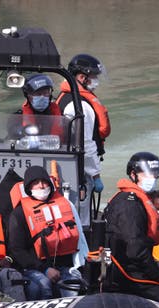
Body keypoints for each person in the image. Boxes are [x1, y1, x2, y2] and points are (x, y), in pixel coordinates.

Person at [103, 152, 159, 308]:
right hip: (130, 275)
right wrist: (157, 277)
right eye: (147, 173)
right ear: (133, 175)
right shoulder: (130, 203)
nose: (152, 177)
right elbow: (135, 249)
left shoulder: (133, 198)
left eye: (155, 173)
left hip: (130, 269)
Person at [7, 166, 89, 300]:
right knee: (42, 286)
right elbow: (17, 250)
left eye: (44, 182)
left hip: (65, 266)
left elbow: (80, 238)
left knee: (74, 286)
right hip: (36, 268)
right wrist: (44, 269)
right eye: (35, 183)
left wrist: (80, 266)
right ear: (29, 188)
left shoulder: (67, 205)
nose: (41, 186)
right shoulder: (19, 214)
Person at [57, 54, 110, 228]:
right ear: (82, 77)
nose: (96, 81)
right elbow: (85, 143)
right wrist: (95, 175)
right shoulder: (80, 105)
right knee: (81, 214)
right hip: (78, 169)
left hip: (67, 164)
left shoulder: (66, 98)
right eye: (94, 76)